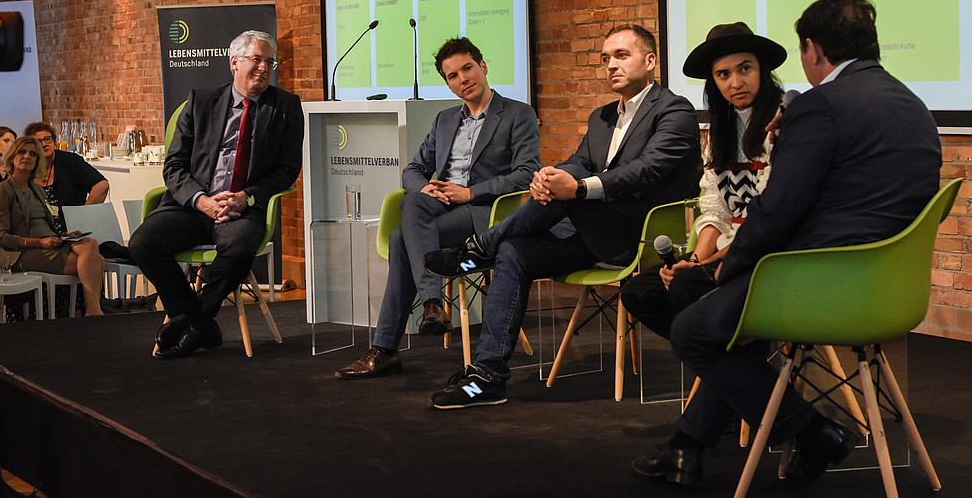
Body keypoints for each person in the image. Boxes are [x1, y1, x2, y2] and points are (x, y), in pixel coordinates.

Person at [633, 0, 941, 488]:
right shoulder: (915, 106)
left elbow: (776, 214)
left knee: (696, 328)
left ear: (812, 49)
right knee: (724, 326)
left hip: (821, 288)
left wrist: (719, 272)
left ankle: (813, 431)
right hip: (891, 294)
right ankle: (687, 447)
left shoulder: (820, 108)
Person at [422, 24, 702, 408]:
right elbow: (578, 162)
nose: (611, 65)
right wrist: (547, 176)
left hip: (636, 237)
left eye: (622, 55)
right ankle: (488, 377)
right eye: (605, 59)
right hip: (589, 233)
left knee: (568, 191)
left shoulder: (675, 111)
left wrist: (578, 187)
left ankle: (479, 247)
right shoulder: (601, 117)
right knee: (515, 251)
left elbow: (645, 171)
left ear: (650, 61)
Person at [335, 37, 541, 379]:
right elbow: (412, 170)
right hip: (439, 209)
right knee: (413, 198)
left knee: (403, 239)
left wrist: (470, 193)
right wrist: (425, 186)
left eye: (467, 69)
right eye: (452, 76)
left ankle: (391, 343)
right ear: (447, 82)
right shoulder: (445, 119)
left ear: (483, 66)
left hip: (484, 214)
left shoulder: (518, 114)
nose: (463, 79)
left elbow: (526, 174)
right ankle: (430, 306)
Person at [129, 30, 304, 359]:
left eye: (270, 62)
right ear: (234, 62)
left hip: (243, 209)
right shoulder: (201, 101)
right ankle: (198, 321)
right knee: (142, 244)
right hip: (195, 205)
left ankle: (195, 319)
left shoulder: (286, 107)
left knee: (239, 248)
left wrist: (246, 197)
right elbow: (174, 165)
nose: (265, 68)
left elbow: (287, 169)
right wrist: (202, 200)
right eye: (256, 59)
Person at [620, 23, 788, 340]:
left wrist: (703, 265)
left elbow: (769, 218)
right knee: (639, 290)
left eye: (745, 69)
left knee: (688, 286)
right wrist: (696, 259)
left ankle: (730, 366)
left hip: (767, 255)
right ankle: (729, 360)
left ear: (762, 69)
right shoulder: (722, 131)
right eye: (723, 74)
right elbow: (714, 207)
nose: (735, 82)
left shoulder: (784, 122)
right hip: (724, 252)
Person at [0, 136, 105, 316]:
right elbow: (0, 237)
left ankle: (91, 312)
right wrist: (39, 243)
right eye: (22, 152)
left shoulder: (37, 189)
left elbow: (45, 224)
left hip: (49, 245)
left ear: (37, 161)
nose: (27, 156)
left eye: (33, 154)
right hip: (20, 254)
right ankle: (93, 313)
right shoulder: (2, 190)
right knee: (96, 262)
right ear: (12, 157)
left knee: (89, 244)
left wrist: (64, 236)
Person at [24, 122, 109, 234]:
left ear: (54, 141)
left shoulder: (70, 161)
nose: (44, 144)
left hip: (72, 231)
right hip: (39, 233)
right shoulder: (27, 166)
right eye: (39, 141)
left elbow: (101, 185)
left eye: (47, 139)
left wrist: (83, 215)